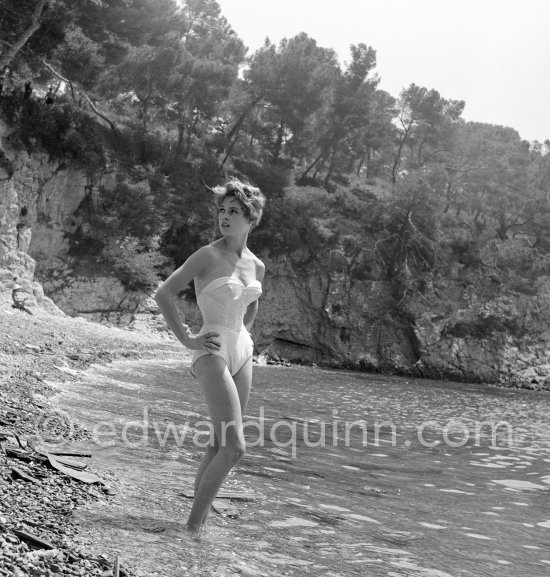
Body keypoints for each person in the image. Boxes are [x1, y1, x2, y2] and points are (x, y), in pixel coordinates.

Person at [154, 178, 266, 534]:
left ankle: (196, 520)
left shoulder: (257, 266)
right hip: (211, 349)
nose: (225, 216)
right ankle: (192, 531)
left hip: (242, 352)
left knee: (219, 444)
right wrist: (188, 339)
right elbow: (164, 294)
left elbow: (250, 306)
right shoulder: (208, 254)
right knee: (235, 448)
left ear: (252, 218)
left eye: (234, 211)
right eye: (222, 210)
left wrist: (245, 339)